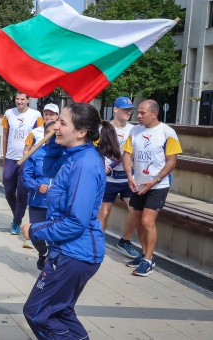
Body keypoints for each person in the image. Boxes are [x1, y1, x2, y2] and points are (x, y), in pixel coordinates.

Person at [21, 103, 120, 339]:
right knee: (60, 312)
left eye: (63, 123)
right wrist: (55, 141)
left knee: (37, 312)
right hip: (66, 251)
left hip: (76, 253)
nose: (56, 126)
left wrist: (34, 229)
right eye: (57, 121)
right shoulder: (72, 155)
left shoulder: (85, 163)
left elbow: (76, 221)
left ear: (81, 131)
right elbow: (48, 169)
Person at [122, 99, 181, 277]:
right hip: (139, 183)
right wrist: (130, 176)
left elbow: (172, 161)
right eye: (137, 113)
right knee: (138, 220)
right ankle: (144, 253)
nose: (138, 116)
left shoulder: (167, 133)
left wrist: (155, 180)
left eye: (142, 113)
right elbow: (127, 154)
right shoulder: (135, 130)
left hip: (158, 185)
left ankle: (148, 260)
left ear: (154, 114)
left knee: (148, 221)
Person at [98, 97, 140, 258]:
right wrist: (102, 164)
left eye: (130, 109)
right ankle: (98, 243)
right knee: (105, 212)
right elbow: (97, 148)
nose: (128, 112)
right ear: (115, 109)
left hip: (127, 177)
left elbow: (132, 152)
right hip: (108, 177)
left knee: (135, 211)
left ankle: (125, 241)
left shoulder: (134, 129)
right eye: (125, 109)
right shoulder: (105, 128)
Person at [1, 91, 42, 235]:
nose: (19, 101)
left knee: (22, 193)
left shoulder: (36, 115)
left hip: (27, 159)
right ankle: (17, 215)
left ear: (28, 100)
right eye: (17, 98)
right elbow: (5, 135)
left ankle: (16, 222)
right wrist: (4, 154)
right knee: (8, 190)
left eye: (22, 99)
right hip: (11, 157)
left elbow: (40, 136)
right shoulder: (8, 113)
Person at [21, 121, 55, 270]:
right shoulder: (35, 153)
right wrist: (37, 186)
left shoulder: (67, 155)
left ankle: (53, 264)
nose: (52, 135)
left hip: (57, 204)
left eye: (55, 132)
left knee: (55, 236)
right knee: (35, 234)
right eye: (48, 132)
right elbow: (25, 177)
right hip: (38, 202)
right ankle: (43, 252)